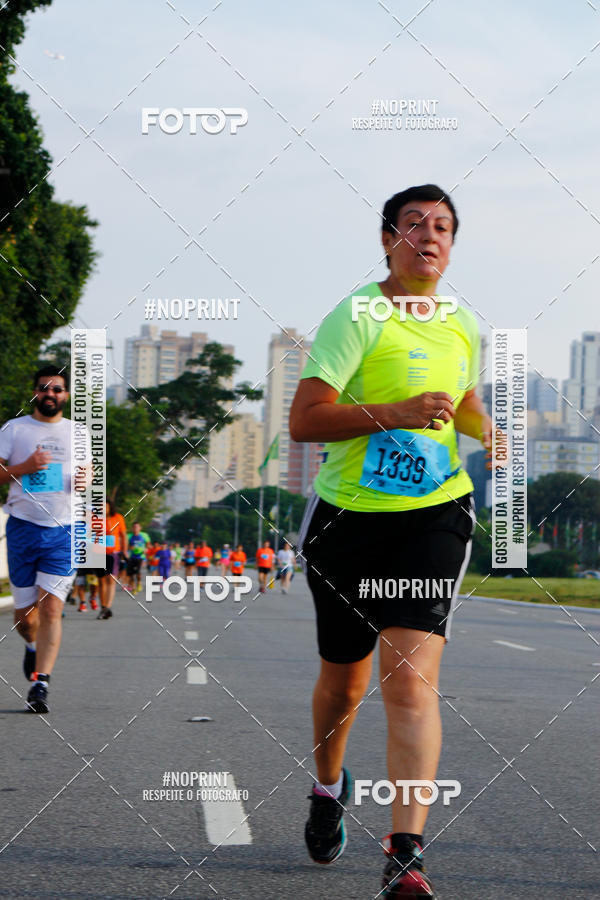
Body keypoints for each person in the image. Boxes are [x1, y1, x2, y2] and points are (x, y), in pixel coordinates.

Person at [291, 184, 493, 897]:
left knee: (408, 680)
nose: (428, 237)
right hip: (348, 518)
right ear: (387, 240)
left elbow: (461, 398)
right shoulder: (358, 315)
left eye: (441, 227)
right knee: (343, 683)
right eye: (413, 226)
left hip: (434, 515)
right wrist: (395, 413)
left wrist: (490, 432)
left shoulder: (463, 322)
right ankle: (326, 787)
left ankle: (405, 851)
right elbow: (306, 420)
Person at [0, 365, 87, 713]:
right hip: (22, 526)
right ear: (35, 392)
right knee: (25, 618)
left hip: (65, 530)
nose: (50, 394)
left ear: (66, 395)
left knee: (52, 608)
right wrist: (25, 467)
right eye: (44, 389)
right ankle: (32, 647)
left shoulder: (79, 433)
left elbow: (87, 472)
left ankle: (41, 684)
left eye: (57, 389)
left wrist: (85, 479)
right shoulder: (14, 429)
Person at [95, 499, 127, 620]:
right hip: (98, 552)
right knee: (101, 581)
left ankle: (108, 606)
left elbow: (123, 536)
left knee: (111, 580)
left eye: (105, 506)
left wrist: (124, 551)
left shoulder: (118, 518)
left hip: (113, 553)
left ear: (110, 507)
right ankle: (103, 607)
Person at [126, 521, 150, 593]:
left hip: (140, 556)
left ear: (140, 528)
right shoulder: (129, 536)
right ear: (132, 528)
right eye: (134, 527)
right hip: (131, 556)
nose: (135, 528)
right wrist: (130, 547)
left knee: (138, 572)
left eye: (137, 527)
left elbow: (148, 544)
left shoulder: (144, 535)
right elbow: (125, 546)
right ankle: (133, 587)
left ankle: (139, 583)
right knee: (131, 574)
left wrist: (146, 549)